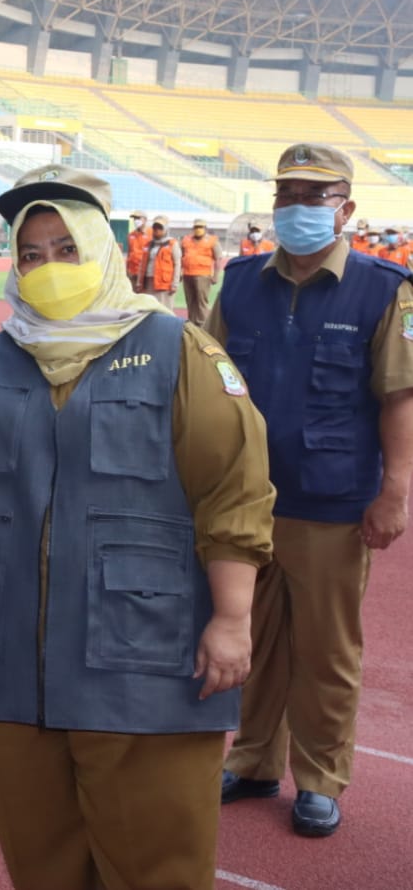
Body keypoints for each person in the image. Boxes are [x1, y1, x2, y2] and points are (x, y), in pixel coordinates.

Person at [0, 167, 273, 890]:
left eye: (66, 248)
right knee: (43, 868)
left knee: (157, 870)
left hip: (143, 662)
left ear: (102, 250)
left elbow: (235, 489)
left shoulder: (178, 350)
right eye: (30, 253)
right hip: (7, 658)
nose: (47, 266)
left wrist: (232, 618)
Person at [212, 143, 413, 838]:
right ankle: (253, 760)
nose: (296, 207)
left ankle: (321, 779)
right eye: (287, 194)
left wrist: (395, 490)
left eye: (314, 196)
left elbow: (399, 396)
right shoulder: (240, 282)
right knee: (251, 639)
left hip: (331, 504)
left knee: (326, 652)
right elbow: (208, 382)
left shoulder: (383, 289)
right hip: (246, 501)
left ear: (345, 209)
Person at [180, 217, 221, 327]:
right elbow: (181, 256)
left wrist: (216, 275)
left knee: (201, 302)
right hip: (187, 274)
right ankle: (192, 324)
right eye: (196, 227)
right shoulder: (186, 240)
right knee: (190, 301)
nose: (198, 229)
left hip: (203, 275)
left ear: (205, 228)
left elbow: (218, 259)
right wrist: (180, 272)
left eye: (200, 227)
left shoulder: (212, 241)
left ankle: (203, 325)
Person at [140, 215, 180, 310]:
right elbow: (142, 264)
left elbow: (177, 264)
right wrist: (139, 282)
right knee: (150, 309)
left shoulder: (172, 244)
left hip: (164, 284)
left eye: (160, 228)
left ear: (165, 229)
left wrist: (175, 284)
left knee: (165, 309)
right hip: (149, 281)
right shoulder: (149, 245)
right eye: (155, 228)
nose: (157, 230)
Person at [124, 209, 151, 293]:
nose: (136, 221)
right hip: (132, 272)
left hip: (145, 273)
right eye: (134, 218)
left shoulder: (152, 234)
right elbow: (129, 253)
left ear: (145, 219)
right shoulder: (131, 235)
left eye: (138, 218)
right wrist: (127, 269)